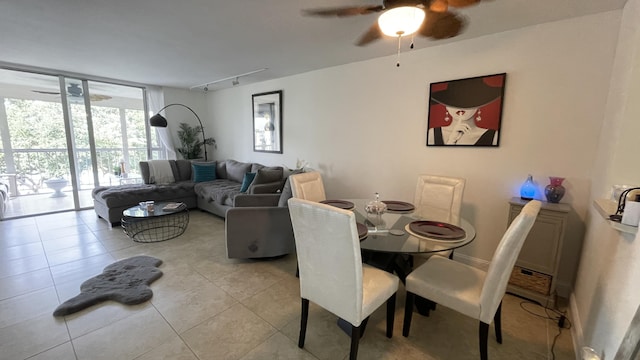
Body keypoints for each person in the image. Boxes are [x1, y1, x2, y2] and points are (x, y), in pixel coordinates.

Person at [427, 76, 504, 146]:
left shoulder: (494, 136)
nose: (460, 107)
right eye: (454, 101)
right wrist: (451, 141)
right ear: (446, 106)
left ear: (479, 105)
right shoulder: (432, 133)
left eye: (468, 102)